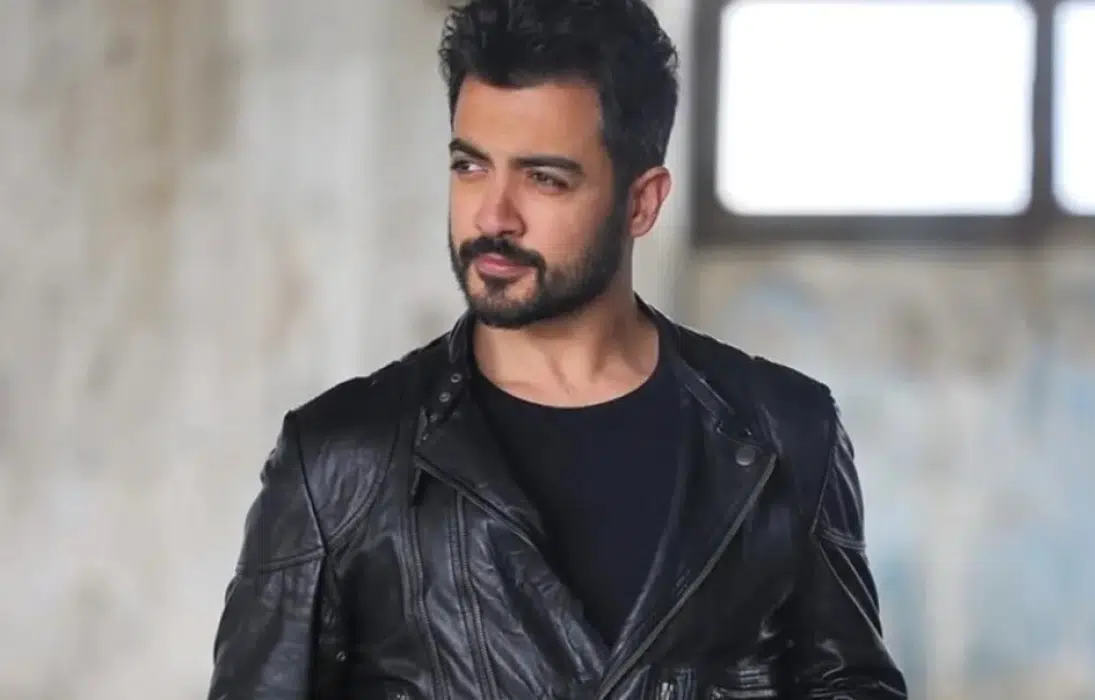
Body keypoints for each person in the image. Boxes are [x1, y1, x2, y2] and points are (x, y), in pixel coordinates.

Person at [207, 0, 907, 698]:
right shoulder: (337, 463)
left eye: (544, 178)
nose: (493, 216)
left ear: (641, 202)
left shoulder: (785, 434)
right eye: (470, 166)